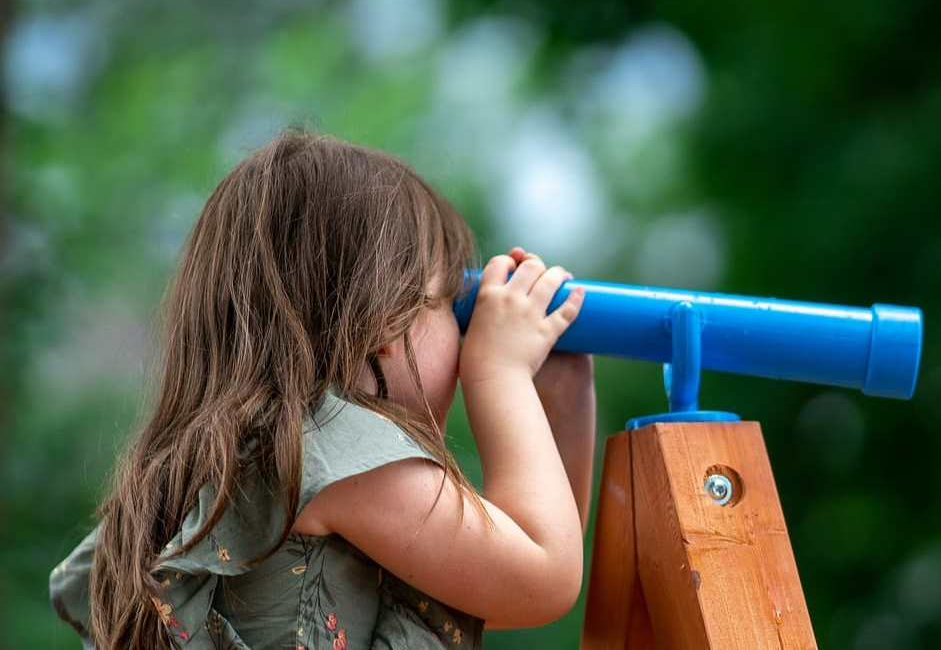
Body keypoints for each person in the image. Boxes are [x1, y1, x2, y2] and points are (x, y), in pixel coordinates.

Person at [48, 130, 597, 650]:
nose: (464, 333)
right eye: (449, 303)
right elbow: (540, 575)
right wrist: (500, 372)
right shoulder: (330, 449)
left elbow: (493, 585)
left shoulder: (241, 457)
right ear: (385, 318)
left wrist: (563, 394)